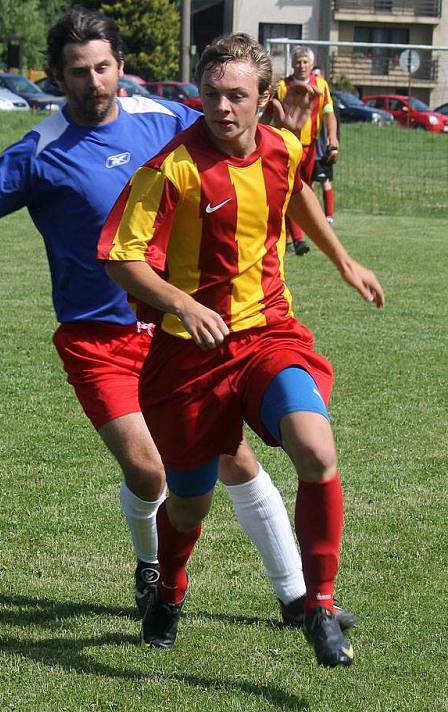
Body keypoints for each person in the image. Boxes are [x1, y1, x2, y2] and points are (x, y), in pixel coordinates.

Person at [0, 7, 355, 631]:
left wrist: (277, 122)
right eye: (79, 71)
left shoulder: (166, 121)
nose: (94, 82)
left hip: (174, 334)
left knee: (233, 458)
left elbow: (237, 138)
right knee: (150, 467)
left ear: (121, 68)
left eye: (104, 67)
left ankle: (297, 597)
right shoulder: (40, 152)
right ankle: (152, 573)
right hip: (97, 335)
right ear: (56, 77)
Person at [101, 33, 384, 666]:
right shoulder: (171, 168)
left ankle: (319, 604)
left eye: (236, 95)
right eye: (211, 94)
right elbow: (121, 257)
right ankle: (170, 591)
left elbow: (297, 196)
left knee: (315, 447)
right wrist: (183, 303)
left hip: (268, 336)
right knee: (191, 498)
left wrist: (343, 260)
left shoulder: (283, 147)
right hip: (189, 359)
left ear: (264, 98)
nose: (222, 107)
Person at [276, 47, 338, 255]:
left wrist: (333, 137)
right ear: (292, 64)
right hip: (287, 145)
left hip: (310, 148)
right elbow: (271, 114)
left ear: (311, 65)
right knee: (290, 189)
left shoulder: (321, 85)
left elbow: (328, 113)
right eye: (298, 62)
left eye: (304, 62)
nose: (301, 65)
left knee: (304, 189)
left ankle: (292, 237)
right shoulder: (283, 86)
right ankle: (298, 239)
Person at [311, 68, 339, 225]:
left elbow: (335, 126)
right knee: (306, 185)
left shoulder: (328, 103)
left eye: (317, 75)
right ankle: (313, 215)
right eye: (312, 75)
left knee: (324, 180)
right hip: (307, 150)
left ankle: (328, 216)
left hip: (321, 152)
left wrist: (333, 146)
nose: (314, 78)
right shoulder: (306, 101)